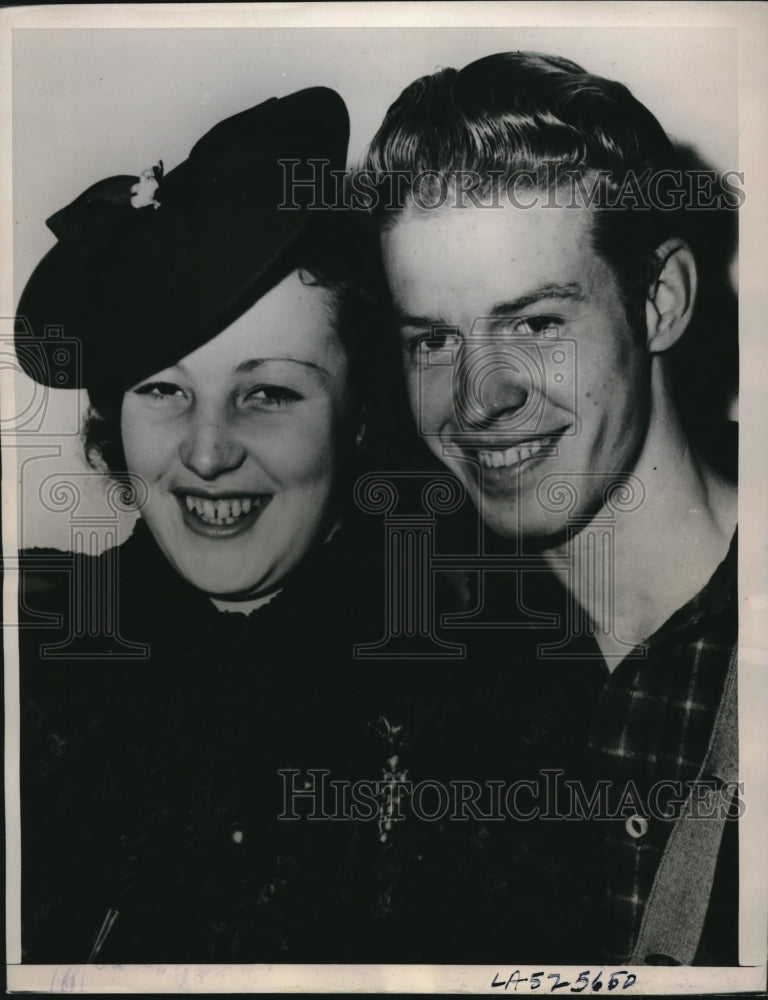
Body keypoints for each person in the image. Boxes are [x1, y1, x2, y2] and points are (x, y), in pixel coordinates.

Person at [362, 52, 739, 965]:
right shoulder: (412, 649)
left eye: (534, 324)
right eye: (433, 341)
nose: (477, 400)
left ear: (660, 302)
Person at [14, 87, 398, 964]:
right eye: (162, 389)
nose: (208, 451)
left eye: (269, 393)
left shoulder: (471, 691)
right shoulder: (31, 653)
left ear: (361, 416)